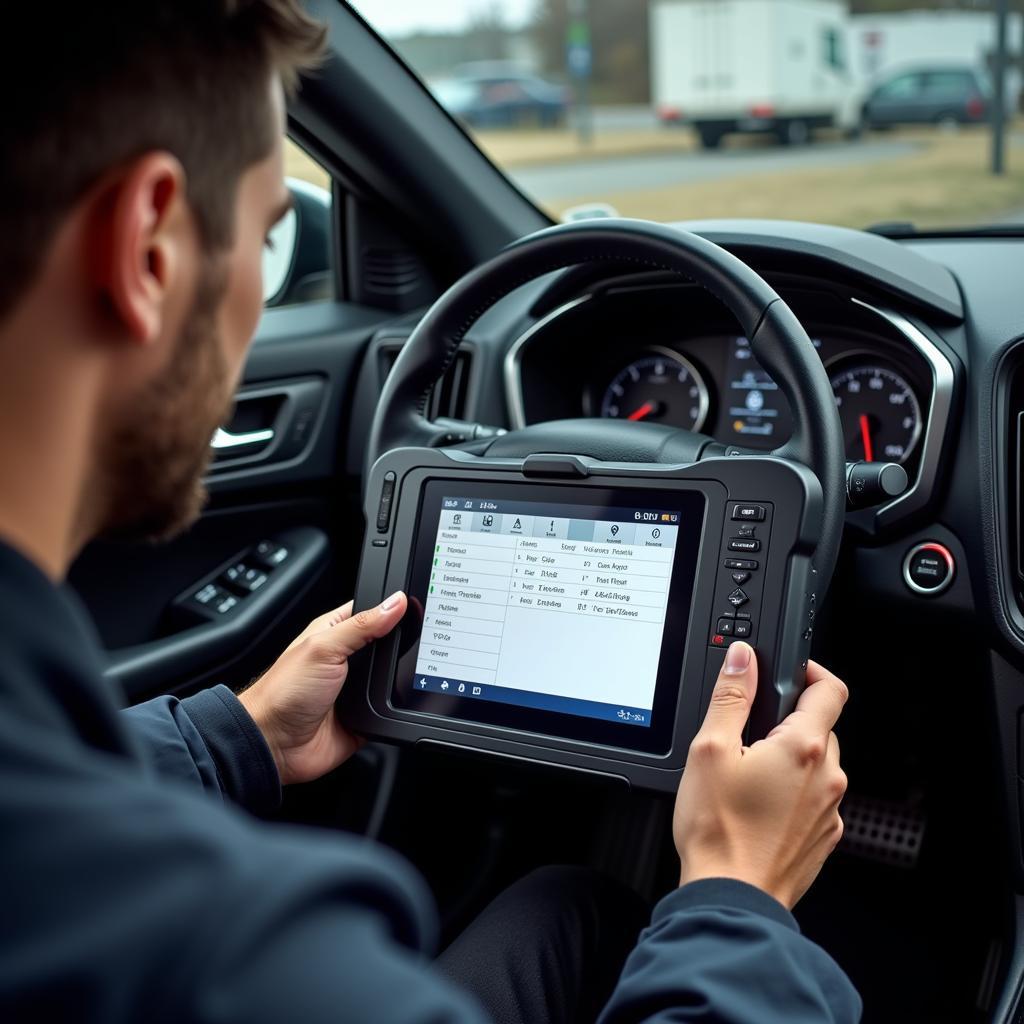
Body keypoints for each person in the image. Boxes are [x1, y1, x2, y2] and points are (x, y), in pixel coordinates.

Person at [0, 2, 860, 1022]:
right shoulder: (251, 965)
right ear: (147, 246)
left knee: (570, 909)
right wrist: (736, 892)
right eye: (269, 240)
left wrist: (236, 739)